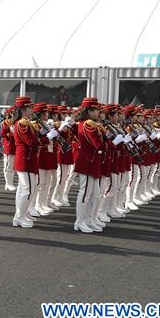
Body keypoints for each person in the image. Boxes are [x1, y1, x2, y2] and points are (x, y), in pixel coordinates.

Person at [73, 97, 105, 233]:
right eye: (96, 110)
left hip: (92, 161)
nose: (98, 112)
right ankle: (79, 221)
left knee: (95, 194)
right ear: (89, 110)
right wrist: (112, 142)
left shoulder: (92, 123)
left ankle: (89, 219)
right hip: (87, 161)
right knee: (85, 192)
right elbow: (98, 143)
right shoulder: (88, 124)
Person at [12, 97, 39, 228]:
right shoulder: (22, 123)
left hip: (28, 158)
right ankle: (19, 217)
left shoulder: (26, 122)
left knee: (26, 189)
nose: (32, 110)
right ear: (23, 109)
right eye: (30, 108)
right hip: (25, 159)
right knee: (27, 190)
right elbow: (30, 142)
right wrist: (46, 138)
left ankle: (22, 213)